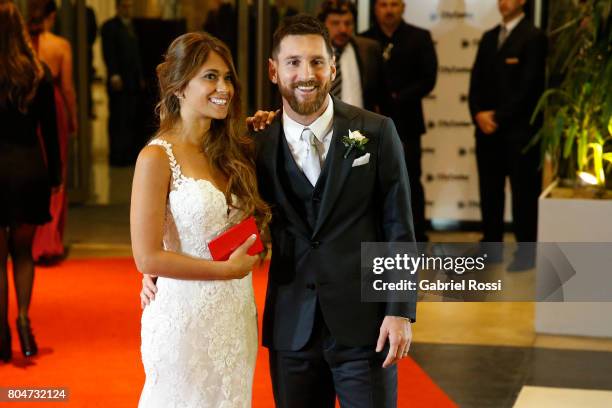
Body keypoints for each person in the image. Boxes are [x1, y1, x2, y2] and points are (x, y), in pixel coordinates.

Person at [142, 14, 416, 407]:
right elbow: (229, 217)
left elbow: (399, 229)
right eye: (293, 62)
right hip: (291, 330)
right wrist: (159, 261)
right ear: (274, 71)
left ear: (332, 67)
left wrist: (400, 311)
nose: (306, 73)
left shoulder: (376, 132)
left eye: (317, 62)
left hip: (366, 326)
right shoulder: (252, 147)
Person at [130, 32, 271, 407]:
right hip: (183, 320)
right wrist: (227, 271)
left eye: (227, 78)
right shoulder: (156, 158)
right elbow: (147, 258)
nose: (223, 87)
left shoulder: (234, 150)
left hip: (236, 317)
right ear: (178, 86)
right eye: (210, 76)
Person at [0, 0, 61, 362]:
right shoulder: (37, 72)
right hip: (28, 170)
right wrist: (55, 176)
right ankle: (24, 321)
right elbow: (50, 133)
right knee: (22, 253)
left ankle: (1, 331)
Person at [468, 0, 546, 269]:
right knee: (490, 192)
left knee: (524, 194)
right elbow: (475, 81)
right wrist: (478, 113)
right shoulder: (490, 37)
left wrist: (497, 118)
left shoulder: (534, 37)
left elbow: (530, 87)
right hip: (487, 132)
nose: (503, 2)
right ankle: (492, 248)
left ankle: (526, 254)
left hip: (519, 133)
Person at [362, 0, 438, 242]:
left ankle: (416, 233)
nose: (389, 10)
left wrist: (397, 98)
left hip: (407, 122)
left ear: (403, 7)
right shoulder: (363, 40)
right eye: (383, 4)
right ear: (375, 9)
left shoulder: (419, 37)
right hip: (369, 123)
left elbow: (428, 78)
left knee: (410, 178)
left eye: (394, 4)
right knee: (369, 180)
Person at [28, 0, 77, 262]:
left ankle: (30, 238)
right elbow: (67, 87)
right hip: (53, 106)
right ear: (52, 15)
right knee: (56, 169)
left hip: (24, 106)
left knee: (33, 164)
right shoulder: (60, 45)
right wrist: (73, 117)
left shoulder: (20, 42)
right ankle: (49, 241)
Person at [318, 0, 384, 112]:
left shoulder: (369, 49)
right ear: (323, 25)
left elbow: (382, 96)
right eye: (335, 23)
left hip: (360, 126)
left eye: (348, 23)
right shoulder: (310, 53)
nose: (343, 29)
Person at [101, 0, 144, 166]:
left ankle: (128, 154)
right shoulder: (109, 27)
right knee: (118, 118)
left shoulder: (131, 26)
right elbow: (109, 53)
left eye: (130, 6)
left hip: (132, 81)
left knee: (130, 118)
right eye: (125, 6)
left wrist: (139, 76)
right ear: (118, 7)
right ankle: (117, 155)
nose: (128, 10)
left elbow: (136, 55)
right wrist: (114, 74)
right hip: (119, 80)